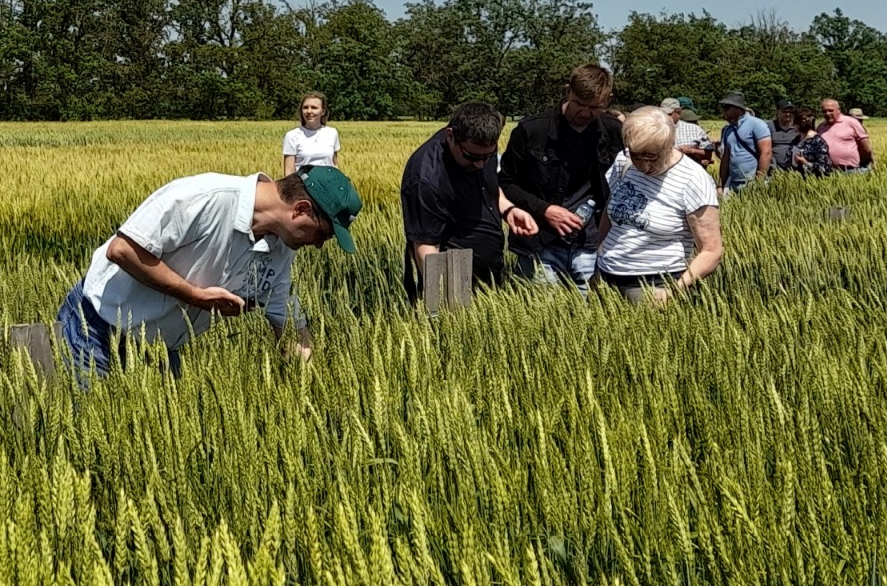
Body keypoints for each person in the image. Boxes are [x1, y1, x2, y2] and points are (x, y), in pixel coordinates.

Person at [55, 166, 361, 383]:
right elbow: (122, 250)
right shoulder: (204, 197)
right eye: (323, 234)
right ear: (301, 209)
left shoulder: (282, 248)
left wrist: (315, 386)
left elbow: (287, 321)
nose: (320, 245)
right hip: (96, 333)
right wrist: (195, 296)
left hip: (162, 350)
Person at [499, 64, 623, 293]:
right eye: (579, 104)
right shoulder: (532, 131)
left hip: (592, 244)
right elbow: (505, 183)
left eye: (595, 107)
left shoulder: (613, 132)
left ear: (608, 99)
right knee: (539, 316)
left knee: (591, 317)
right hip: (539, 241)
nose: (585, 113)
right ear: (568, 91)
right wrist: (545, 210)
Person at [402, 102, 538, 297]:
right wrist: (444, 297)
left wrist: (509, 210)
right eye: (472, 156)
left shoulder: (480, 148)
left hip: (490, 274)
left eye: (488, 156)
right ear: (451, 136)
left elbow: (489, 187)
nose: (481, 164)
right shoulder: (426, 177)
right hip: (454, 276)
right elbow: (426, 246)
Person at [593, 106, 722, 304]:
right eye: (636, 155)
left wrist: (674, 291)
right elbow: (610, 213)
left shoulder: (693, 180)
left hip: (654, 285)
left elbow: (712, 250)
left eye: (651, 157)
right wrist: (600, 253)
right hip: (606, 276)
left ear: (669, 145)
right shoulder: (624, 162)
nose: (643, 166)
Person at [716, 92, 771, 193]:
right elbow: (726, 158)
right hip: (733, 182)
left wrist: (758, 181)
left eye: (728, 107)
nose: (725, 110)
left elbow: (766, 153)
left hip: (751, 181)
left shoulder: (757, 124)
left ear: (738, 108)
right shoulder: (728, 129)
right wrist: (720, 185)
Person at [282, 91, 340, 175]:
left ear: (323, 111)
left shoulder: (332, 133)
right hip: (303, 185)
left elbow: (334, 164)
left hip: (328, 184)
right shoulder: (292, 136)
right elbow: (289, 172)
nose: (309, 111)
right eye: (305, 107)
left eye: (314, 107)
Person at [816, 100, 873, 173]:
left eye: (831, 110)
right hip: (828, 172)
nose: (827, 113)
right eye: (824, 111)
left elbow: (866, 147)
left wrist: (863, 162)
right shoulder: (821, 127)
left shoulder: (851, 122)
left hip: (851, 170)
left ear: (839, 110)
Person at [661, 98, 715, 168]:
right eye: (662, 113)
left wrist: (692, 151)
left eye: (669, 114)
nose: (665, 117)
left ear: (679, 112)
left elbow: (708, 154)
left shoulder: (695, 129)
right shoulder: (653, 130)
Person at [789, 109, 833, 178]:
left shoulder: (818, 141)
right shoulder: (796, 139)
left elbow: (826, 168)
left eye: (794, 124)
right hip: (795, 179)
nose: (792, 126)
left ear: (799, 125)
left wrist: (806, 163)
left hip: (812, 181)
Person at [769, 100, 803, 171]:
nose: (788, 114)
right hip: (774, 170)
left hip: (794, 170)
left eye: (790, 112)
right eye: (784, 112)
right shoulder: (769, 126)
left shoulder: (798, 127)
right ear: (777, 112)